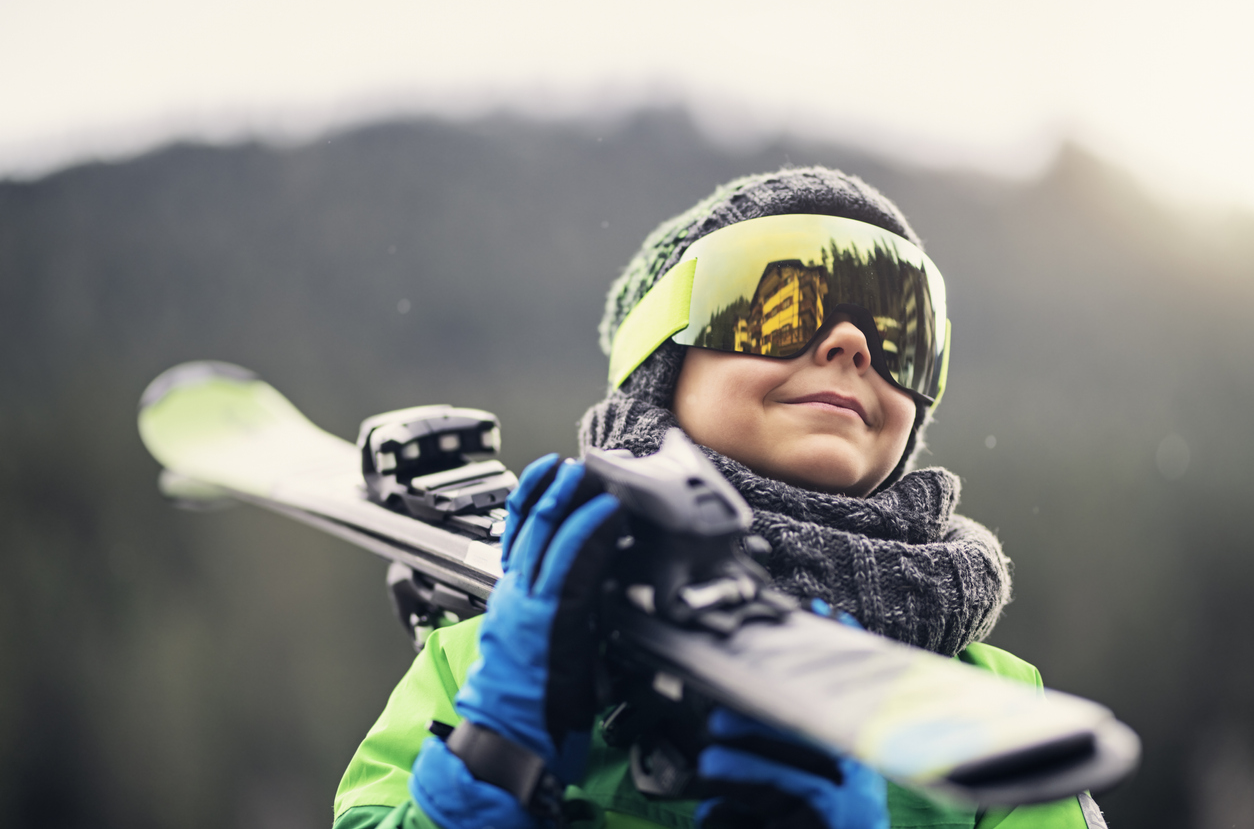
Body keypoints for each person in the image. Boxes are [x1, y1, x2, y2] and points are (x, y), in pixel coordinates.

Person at [331, 167, 1107, 829]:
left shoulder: (991, 712)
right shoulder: (484, 661)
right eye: (781, 307)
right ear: (659, 368)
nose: (852, 345)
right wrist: (490, 764)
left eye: (897, 330)